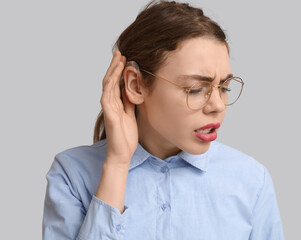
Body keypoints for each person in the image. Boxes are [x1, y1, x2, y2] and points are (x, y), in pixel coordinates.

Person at [42, 1, 285, 239]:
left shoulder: (251, 181)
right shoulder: (72, 174)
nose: (218, 106)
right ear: (136, 85)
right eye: (195, 89)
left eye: (224, 87)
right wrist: (117, 165)